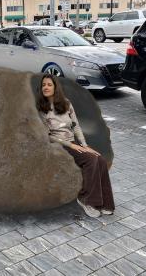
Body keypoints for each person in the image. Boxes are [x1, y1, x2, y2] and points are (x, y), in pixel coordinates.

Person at [37, 74, 115, 218]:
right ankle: (86, 199)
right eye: (43, 85)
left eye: (49, 84)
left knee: (100, 160)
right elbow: (48, 135)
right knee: (91, 160)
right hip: (58, 145)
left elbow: (76, 126)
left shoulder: (66, 104)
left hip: (73, 143)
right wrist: (71, 146)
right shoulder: (42, 109)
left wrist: (84, 145)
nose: (46, 87)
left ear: (56, 88)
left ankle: (105, 203)